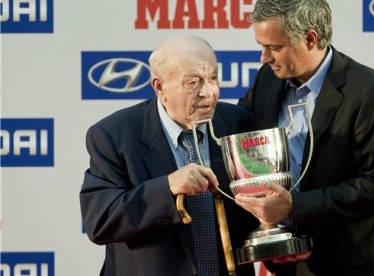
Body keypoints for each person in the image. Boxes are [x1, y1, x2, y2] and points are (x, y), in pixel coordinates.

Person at [234, 0, 374, 275]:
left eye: (275, 47)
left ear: (310, 39)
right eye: (262, 46)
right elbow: (240, 135)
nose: (264, 57)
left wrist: (293, 207)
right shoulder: (267, 80)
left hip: (364, 264)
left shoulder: (370, 91)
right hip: (297, 265)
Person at [79, 35, 258, 276]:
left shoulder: (238, 122)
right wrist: (167, 187)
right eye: (193, 82)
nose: (209, 92)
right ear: (160, 86)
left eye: (213, 78)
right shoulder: (114, 135)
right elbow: (100, 221)